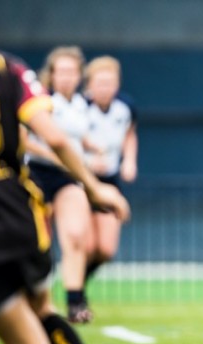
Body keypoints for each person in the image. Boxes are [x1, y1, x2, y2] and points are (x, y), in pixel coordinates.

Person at [0, 50, 128, 344]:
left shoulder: (86, 105)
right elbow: (50, 137)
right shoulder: (8, 68)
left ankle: (78, 298)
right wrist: (95, 186)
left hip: (27, 200)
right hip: (13, 207)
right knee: (41, 308)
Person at [24, 46, 94, 324]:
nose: (66, 77)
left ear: (79, 75)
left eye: (71, 71)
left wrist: (93, 151)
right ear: (51, 74)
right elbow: (25, 138)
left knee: (76, 235)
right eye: (60, 71)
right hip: (37, 174)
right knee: (37, 242)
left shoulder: (81, 104)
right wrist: (55, 154)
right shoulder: (39, 100)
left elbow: (78, 138)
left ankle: (76, 302)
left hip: (67, 177)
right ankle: (36, 301)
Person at [81, 55, 138, 314]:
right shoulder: (79, 107)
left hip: (111, 181)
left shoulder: (125, 107)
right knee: (88, 245)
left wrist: (129, 161)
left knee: (105, 249)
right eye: (100, 83)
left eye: (110, 83)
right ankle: (75, 295)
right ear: (90, 84)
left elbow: (130, 134)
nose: (105, 88)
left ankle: (78, 281)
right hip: (82, 181)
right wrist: (87, 161)